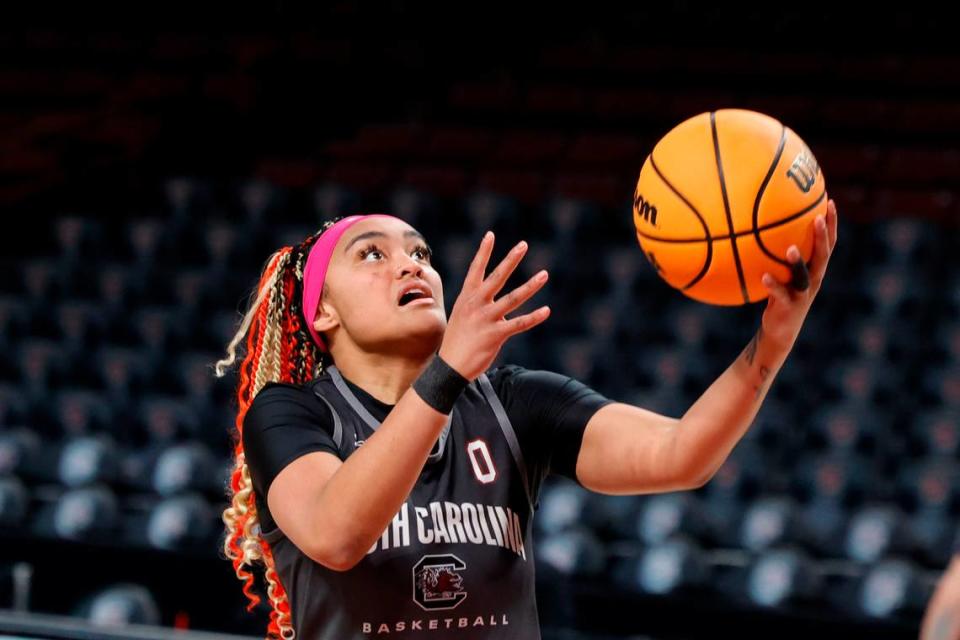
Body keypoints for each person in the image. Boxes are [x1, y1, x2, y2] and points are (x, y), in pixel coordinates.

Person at [214, 203, 837, 639]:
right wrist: (447, 370)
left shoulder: (514, 403)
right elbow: (335, 533)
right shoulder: (291, 412)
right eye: (371, 255)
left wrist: (774, 338)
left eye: (421, 252)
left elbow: (682, 454)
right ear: (322, 312)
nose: (410, 265)